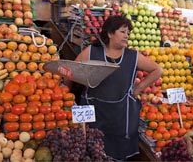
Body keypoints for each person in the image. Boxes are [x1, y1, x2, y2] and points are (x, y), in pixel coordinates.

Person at [65, 15, 163, 161]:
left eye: (128, 33)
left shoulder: (133, 56)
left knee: (117, 153)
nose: (126, 36)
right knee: (92, 150)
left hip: (121, 115)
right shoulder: (92, 52)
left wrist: (138, 89)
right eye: (123, 32)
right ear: (110, 34)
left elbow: (158, 70)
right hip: (94, 112)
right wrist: (67, 95)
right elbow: (69, 70)